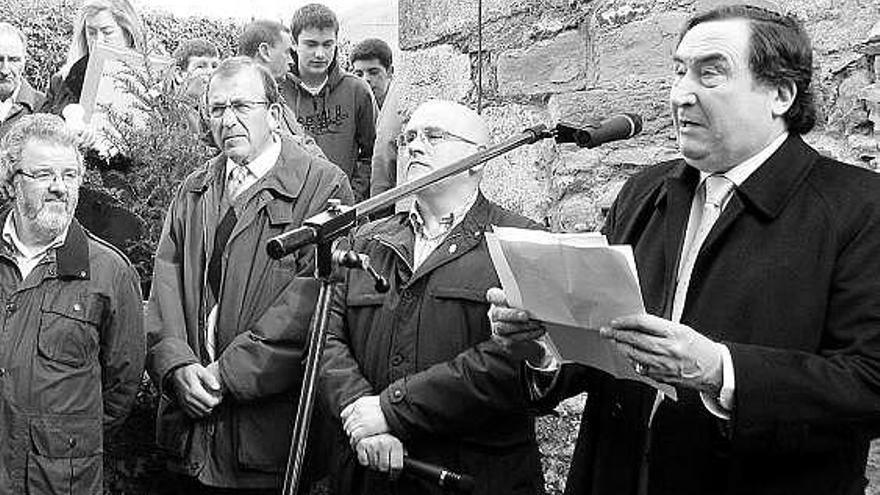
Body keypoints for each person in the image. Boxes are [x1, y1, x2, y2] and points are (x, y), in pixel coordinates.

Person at [489, 5, 880, 495]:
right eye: (678, 71)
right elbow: (602, 350)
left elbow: (869, 383)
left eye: (709, 73)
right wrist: (541, 340)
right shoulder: (643, 192)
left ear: (780, 94)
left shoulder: (861, 207)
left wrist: (721, 371)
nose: (679, 95)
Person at [145, 57, 353, 494]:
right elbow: (165, 280)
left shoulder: (323, 186)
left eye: (242, 106)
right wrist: (176, 365)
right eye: (217, 109)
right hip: (191, 435)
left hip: (270, 442)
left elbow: (313, 303)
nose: (228, 120)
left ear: (274, 115)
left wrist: (227, 374)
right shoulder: (194, 188)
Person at [320, 100, 545, 495]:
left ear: (479, 159)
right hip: (369, 472)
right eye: (408, 138)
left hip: (470, 475)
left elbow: (514, 360)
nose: (414, 146)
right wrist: (363, 418)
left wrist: (391, 410)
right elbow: (326, 338)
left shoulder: (521, 243)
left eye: (433, 136)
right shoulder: (367, 240)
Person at [0, 113, 144, 493]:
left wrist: (62, 436)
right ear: (10, 182)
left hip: (58, 480)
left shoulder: (109, 272)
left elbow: (121, 384)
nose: (59, 188)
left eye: (69, 175)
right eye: (44, 174)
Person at [281, 3, 377, 203]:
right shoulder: (277, 92)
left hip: (342, 207)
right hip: (289, 209)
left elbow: (370, 154)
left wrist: (351, 196)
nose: (320, 54)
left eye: (327, 44)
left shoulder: (358, 90)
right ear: (294, 43)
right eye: (311, 44)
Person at [238, 19, 327, 158]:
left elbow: (302, 140)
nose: (291, 61)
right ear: (265, 52)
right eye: (286, 52)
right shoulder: (240, 100)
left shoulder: (275, 98)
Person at [41, 0, 145, 116]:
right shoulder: (62, 81)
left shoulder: (152, 82)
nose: (98, 41)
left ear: (128, 33)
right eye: (92, 32)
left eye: (107, 32)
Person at [0, 23, 44, 140]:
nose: (5, 70)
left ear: (24, 62)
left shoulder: (42, 107)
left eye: (13, 60)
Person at [170, 38, 220, 143]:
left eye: (215, 66)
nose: (211, 73)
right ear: (179, 75)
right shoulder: (156, 104)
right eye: (201, 66)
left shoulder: (211, 107)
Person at [350, 38, 393, 110]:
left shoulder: (402, 107)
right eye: (359, 74)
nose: (365, 79)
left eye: (373, 73)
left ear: (389, 72)